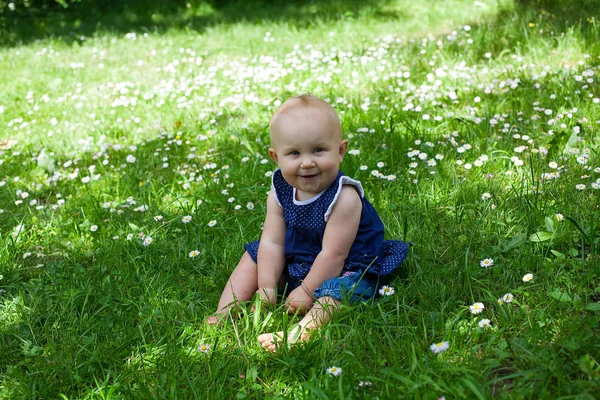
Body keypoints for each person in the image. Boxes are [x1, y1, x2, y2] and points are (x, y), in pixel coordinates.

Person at [206, 94, 410, 351]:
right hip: (299, 257)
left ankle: (299, 334)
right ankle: (225, 312)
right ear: (276, 158)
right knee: (254, 256)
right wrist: (267, 285)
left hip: (346, 265)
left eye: (318, 150)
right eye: (293, 153)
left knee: (336, 293)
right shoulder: (279, 192)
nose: (307, 162)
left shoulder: (344, 197)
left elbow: (333, 255)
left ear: (341, 151)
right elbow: (271, 241)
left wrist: (307, 291)